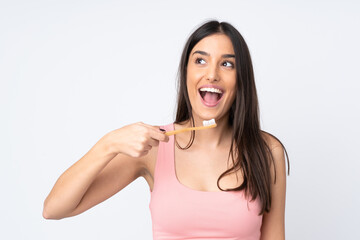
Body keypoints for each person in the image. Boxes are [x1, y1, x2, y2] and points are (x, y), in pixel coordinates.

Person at [43, 20, 290, 240]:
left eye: (227, 64)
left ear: (241, 79)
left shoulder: (267, 151)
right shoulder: (154, 146)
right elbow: (54, 209)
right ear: (186, 72)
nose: (212, 74)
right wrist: (108, 144)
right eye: (200, 61)